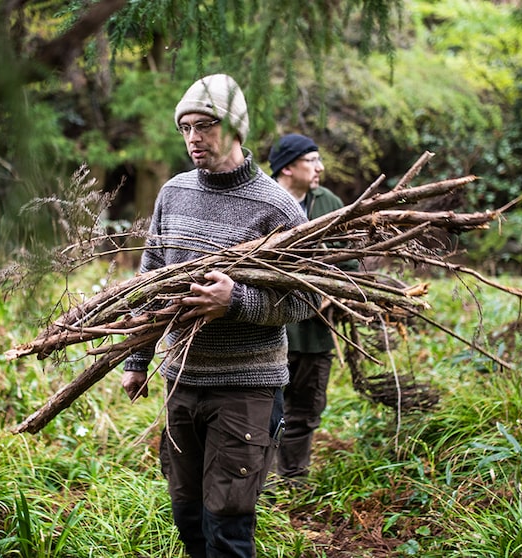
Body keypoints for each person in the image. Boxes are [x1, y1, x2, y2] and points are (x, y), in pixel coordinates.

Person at [120, 74, 319, 558]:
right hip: (183, 381)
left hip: (246, 388)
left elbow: (306, 299)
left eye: (204, 125)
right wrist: (137, 359)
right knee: (187, 515)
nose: (192, 138)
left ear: (234, 128)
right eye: (184, 128)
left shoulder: (278, 207)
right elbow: (151, 281)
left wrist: (237, 301)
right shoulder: (173, 193)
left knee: (227, 525)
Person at [268, 133, 358, 481]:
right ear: (288, 167)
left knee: (305, 410)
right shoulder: (263, 199)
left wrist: (338, 292)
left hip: (315, 333)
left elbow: (350, 260)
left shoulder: (329, 202)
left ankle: (292, 480)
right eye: (312, 160)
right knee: (263, 411)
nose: (320, 167)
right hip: (268, 331)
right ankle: (259, 485)